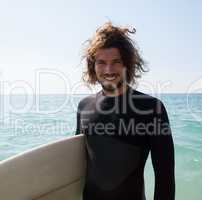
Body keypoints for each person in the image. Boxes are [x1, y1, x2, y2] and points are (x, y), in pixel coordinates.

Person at [75, 22, 175, 200]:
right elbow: (76, 163)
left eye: (116, 62)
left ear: (127, 64)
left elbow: (165, 177)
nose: (108, 70)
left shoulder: (151, 108)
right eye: (101, 63)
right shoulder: (84, 107)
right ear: (93, 66)